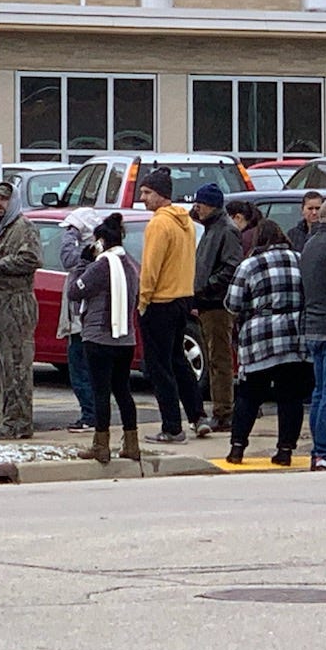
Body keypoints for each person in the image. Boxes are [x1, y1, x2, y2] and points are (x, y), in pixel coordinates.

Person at [224, 219, 311, 466]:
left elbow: (233, 303)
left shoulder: (249, 265)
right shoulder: (299, 258)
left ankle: (237, 448)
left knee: (249, 396)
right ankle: (285, 451)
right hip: (295, 337)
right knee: (290, 397)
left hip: (259, 339)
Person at [137, 166, 207, 443]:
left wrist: (143, 300)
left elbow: (151, 267)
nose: (143, 198)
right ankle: (198, 415)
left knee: (159, 366)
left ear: (161, 195)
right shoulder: (186, 222)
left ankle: (172, 426)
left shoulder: (158, 223)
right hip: (182, 298)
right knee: (179, 360)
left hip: (160, 301)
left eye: (146, 192)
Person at [71, 213, 141, 464]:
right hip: (126, 338)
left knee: (101, 391)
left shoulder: (101, 265)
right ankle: (131, 443)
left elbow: (74, 290)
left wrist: (83, 263)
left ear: (100, 242)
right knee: (123, 391)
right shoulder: (131, 264)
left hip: (99, 337)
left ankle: (101, 445)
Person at [0, 181, 41, 440]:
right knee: (1, 365)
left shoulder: (23, 227)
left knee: (17, 365)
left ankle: (19, 423)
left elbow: (31, 258)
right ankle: (11, 419)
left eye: (4, 200)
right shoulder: (3, 230)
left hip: (16, 305)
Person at [191, 182, 242, 433]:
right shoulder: (212, 227)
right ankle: (221, 409)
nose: (196, 208)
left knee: (219, 358)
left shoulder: (226, 230)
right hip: (206, 301)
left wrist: (206, 287)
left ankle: (224, 412)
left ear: (211, 205)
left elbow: (231, 266)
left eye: (200, 204)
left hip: (217, 304)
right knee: (213, 358)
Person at [54, 205, 102, 435]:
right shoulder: (102, 251)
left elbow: (66, 258)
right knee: (89, 371)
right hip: (85, 323)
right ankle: (94, 414)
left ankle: (90, 416)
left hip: (82, 323)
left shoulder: (88, 253)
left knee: (80, 371)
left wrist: (71, 233)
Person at [300, 211, 326, 470]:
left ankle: (319, 451)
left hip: (313, 326)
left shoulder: (310, 244)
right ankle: (323, 450)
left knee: (320, 392)